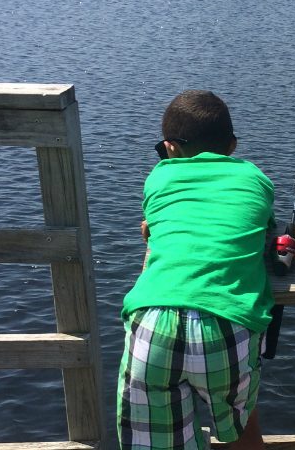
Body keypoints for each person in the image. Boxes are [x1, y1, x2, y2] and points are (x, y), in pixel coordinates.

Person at [117, 90, 275, 450]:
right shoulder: (255, 179)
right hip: (227, 322)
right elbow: (261, 225)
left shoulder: (159, 177)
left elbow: (153, 227)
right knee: (241, 436)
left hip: (153, 320)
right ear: (232, 146)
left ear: (169, 147)